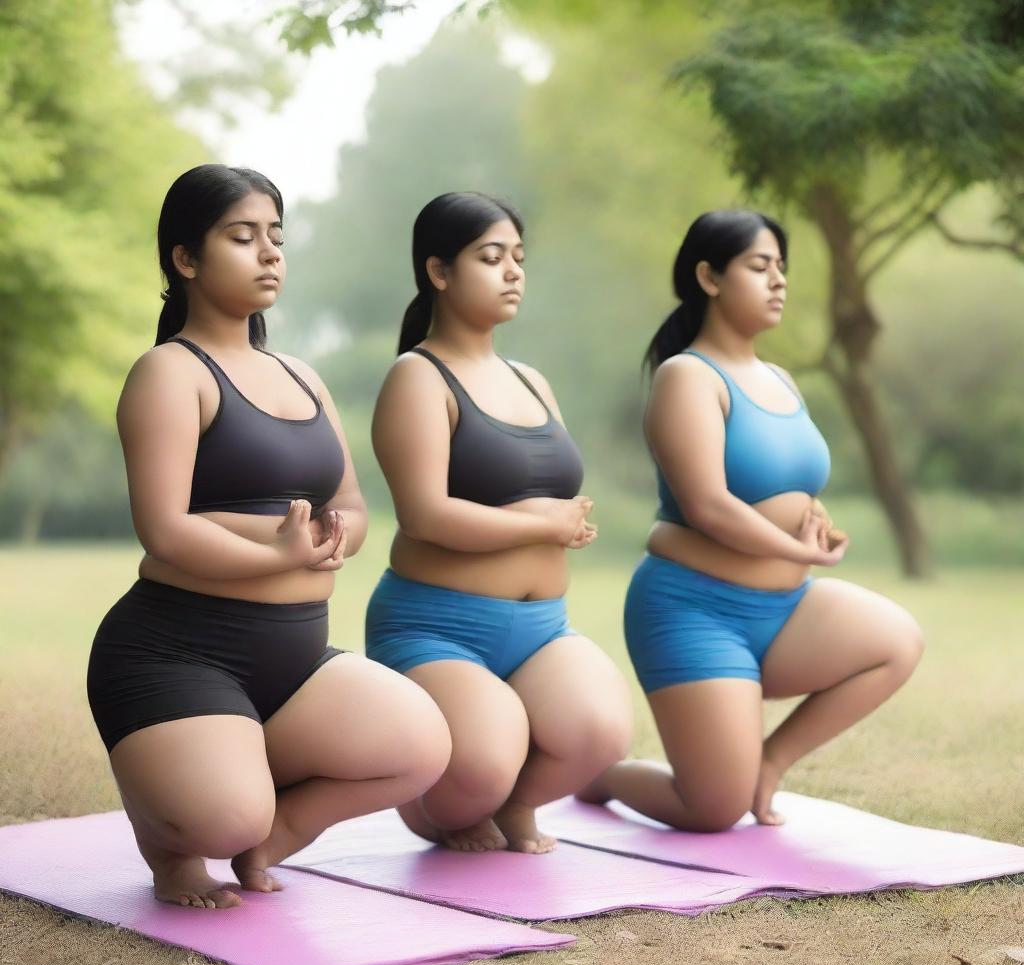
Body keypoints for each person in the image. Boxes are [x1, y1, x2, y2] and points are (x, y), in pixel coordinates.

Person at [87, 165, 451, 908]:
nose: (269, 254)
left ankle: (270, 834)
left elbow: (348, 498)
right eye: (243, 237)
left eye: (276, 238)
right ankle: (172, 836)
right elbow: (163, 529)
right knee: (221, 815)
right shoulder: (168, 373)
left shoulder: (302, 376)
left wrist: (336, 537)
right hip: (174, 654)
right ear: (185, 259)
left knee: (423, 746)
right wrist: (274, 553)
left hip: (292, 660)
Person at [580, 209, 924, 831]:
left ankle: (769, 762)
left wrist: (816, 525)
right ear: (710, 277)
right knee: (712, 810)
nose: (778, 282)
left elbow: (786, 484)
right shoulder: (686, 375)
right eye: (760, 267)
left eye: (782, 270)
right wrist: (801, 554)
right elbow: (709, 505)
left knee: (898, 641)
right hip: (694, 610)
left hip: (786, 609)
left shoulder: (782, 380)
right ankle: (598, 775)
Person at [367, 192, 633, 854]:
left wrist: (562, 524)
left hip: (541, 627)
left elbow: (547, 492)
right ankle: (436, 806)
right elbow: (424, 515)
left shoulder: (533, 380)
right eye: (491, 257)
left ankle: (508, 804)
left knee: (602, 731)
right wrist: (541, 527)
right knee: (485, 759)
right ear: (439, 271)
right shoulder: (418, 377)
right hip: (437, 626)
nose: (513, 270)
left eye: (518, 257)